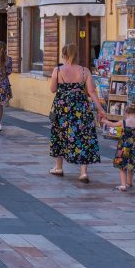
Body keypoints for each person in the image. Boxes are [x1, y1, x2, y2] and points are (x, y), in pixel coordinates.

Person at [49, 44, 106, 183]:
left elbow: (52, 89)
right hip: (81, 107)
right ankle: (83, 172)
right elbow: (92, 91)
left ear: (64, 55)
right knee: (83, 136)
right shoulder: (85, 71)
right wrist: (100, 109)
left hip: (63, 108)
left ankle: (58, 167)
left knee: (60, 134)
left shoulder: (57, 70)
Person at [109, 105, 135, 191]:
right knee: (131, 166)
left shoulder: (124, 122)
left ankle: (123, 185)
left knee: (122, 167)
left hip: (123, 148)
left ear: (127, 113)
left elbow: (112, 124)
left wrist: (104, 120)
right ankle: (129, 182)